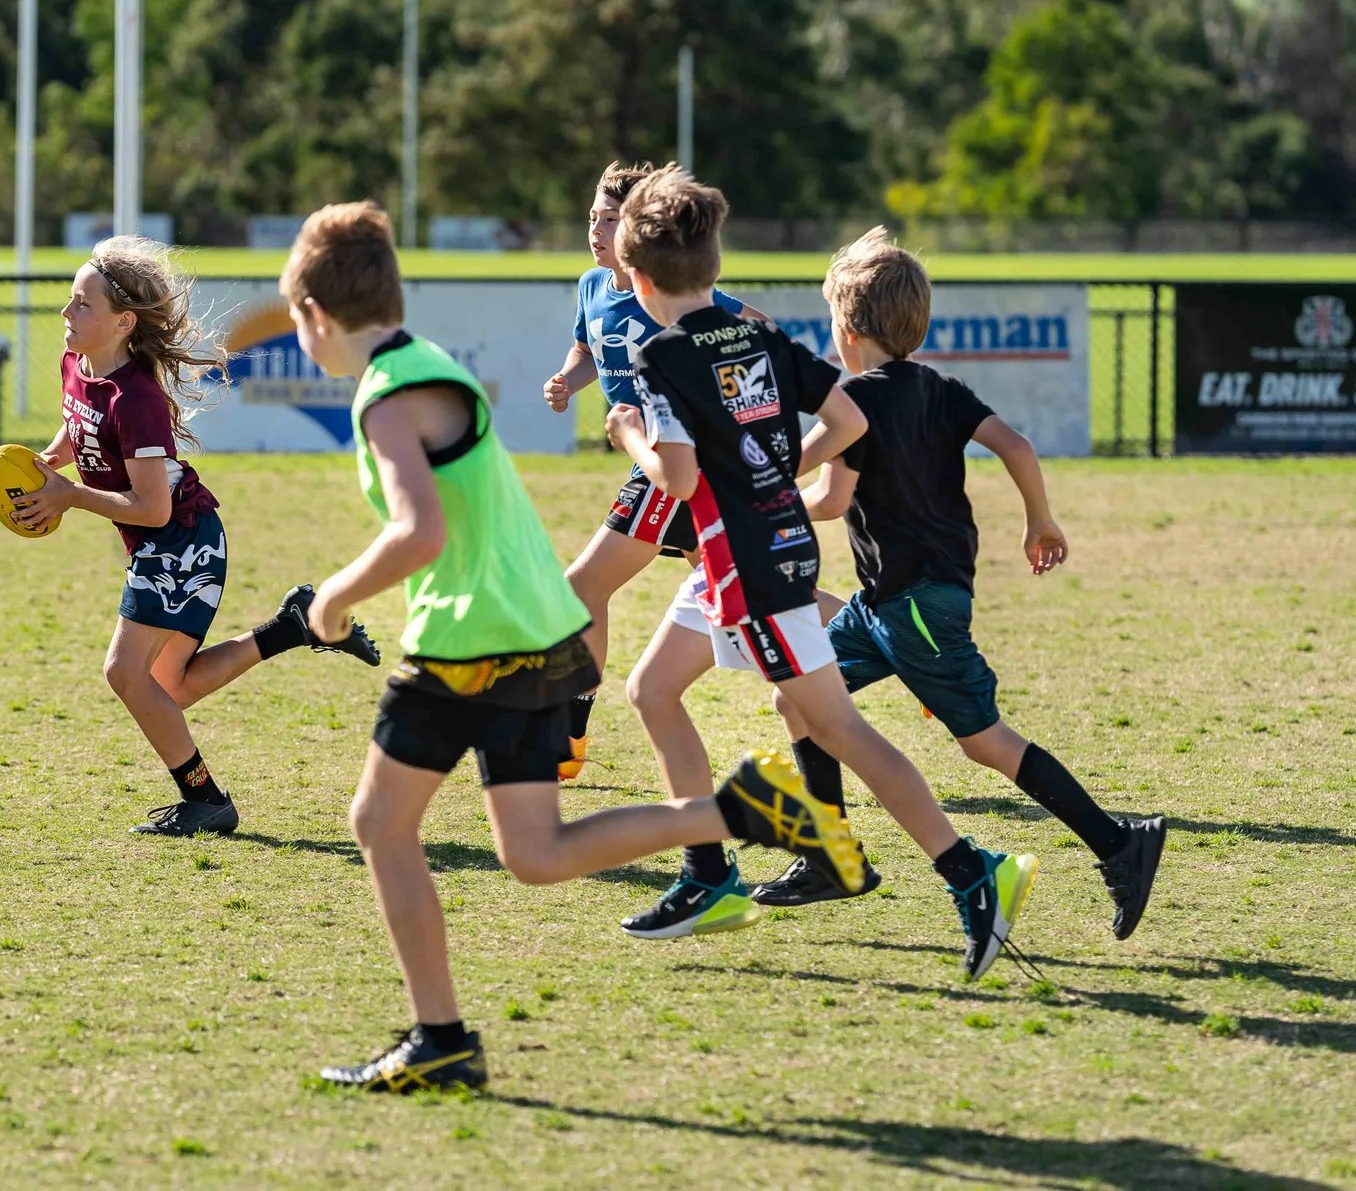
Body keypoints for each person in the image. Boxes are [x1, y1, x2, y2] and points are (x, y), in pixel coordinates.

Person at [284, 202, 861, 1094]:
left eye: (296, 320)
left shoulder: (385, 397)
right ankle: (746, 810)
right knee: (535, 852)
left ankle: (439, 1039)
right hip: (540, 628)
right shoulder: (429, 362)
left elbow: (419, 530)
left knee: (378, 824)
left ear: (317, 317)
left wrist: (331, 598)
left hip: (465, 638)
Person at [609, 168, 1036, 981]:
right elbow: (849, 417)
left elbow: (672, 476)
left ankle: (973, 872)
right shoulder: (759, 336)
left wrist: (628, 428)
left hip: (749, 569)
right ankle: (708, 875)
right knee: (651, 688)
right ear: (714, 263)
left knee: (839, 728)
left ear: (638, 278)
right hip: (760, 555)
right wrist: (770, 476)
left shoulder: (659, 355)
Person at [754, 228, 1164, 937]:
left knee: (986, 742)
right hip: (888, 604)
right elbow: (1016, 443)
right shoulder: (938, 389)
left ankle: (1119, 842)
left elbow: (810, 486)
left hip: (915, 606)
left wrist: (748, 472)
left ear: (846, 330)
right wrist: (1040, 520)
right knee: (799, 696)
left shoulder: (855, 401)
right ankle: (827, 854)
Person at [10, 237, 379, 839]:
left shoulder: (139, 400)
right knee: (169, 687)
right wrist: (46, 463)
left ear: (122, 322)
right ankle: (293, 626)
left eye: (82, 304)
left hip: (182, 540)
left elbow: (152, 509)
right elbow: (80, 429)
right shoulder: (75, 365)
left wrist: (69, 496)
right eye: (70, 300)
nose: (66, 314)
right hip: (166, 542)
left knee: (126, 675)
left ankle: (205, 801)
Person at [541, 163, 749, 782]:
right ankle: (885, 640)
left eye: (609, 221)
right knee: (749, 600)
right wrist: (568, 380)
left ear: (638, 229)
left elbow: (748, 324)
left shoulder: (665, 287)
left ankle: (567, 737)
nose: (596, 232)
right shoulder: (591, 286)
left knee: (582, 587)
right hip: (657, 459)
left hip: (672, 460)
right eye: (592, 220)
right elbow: (588, 347)